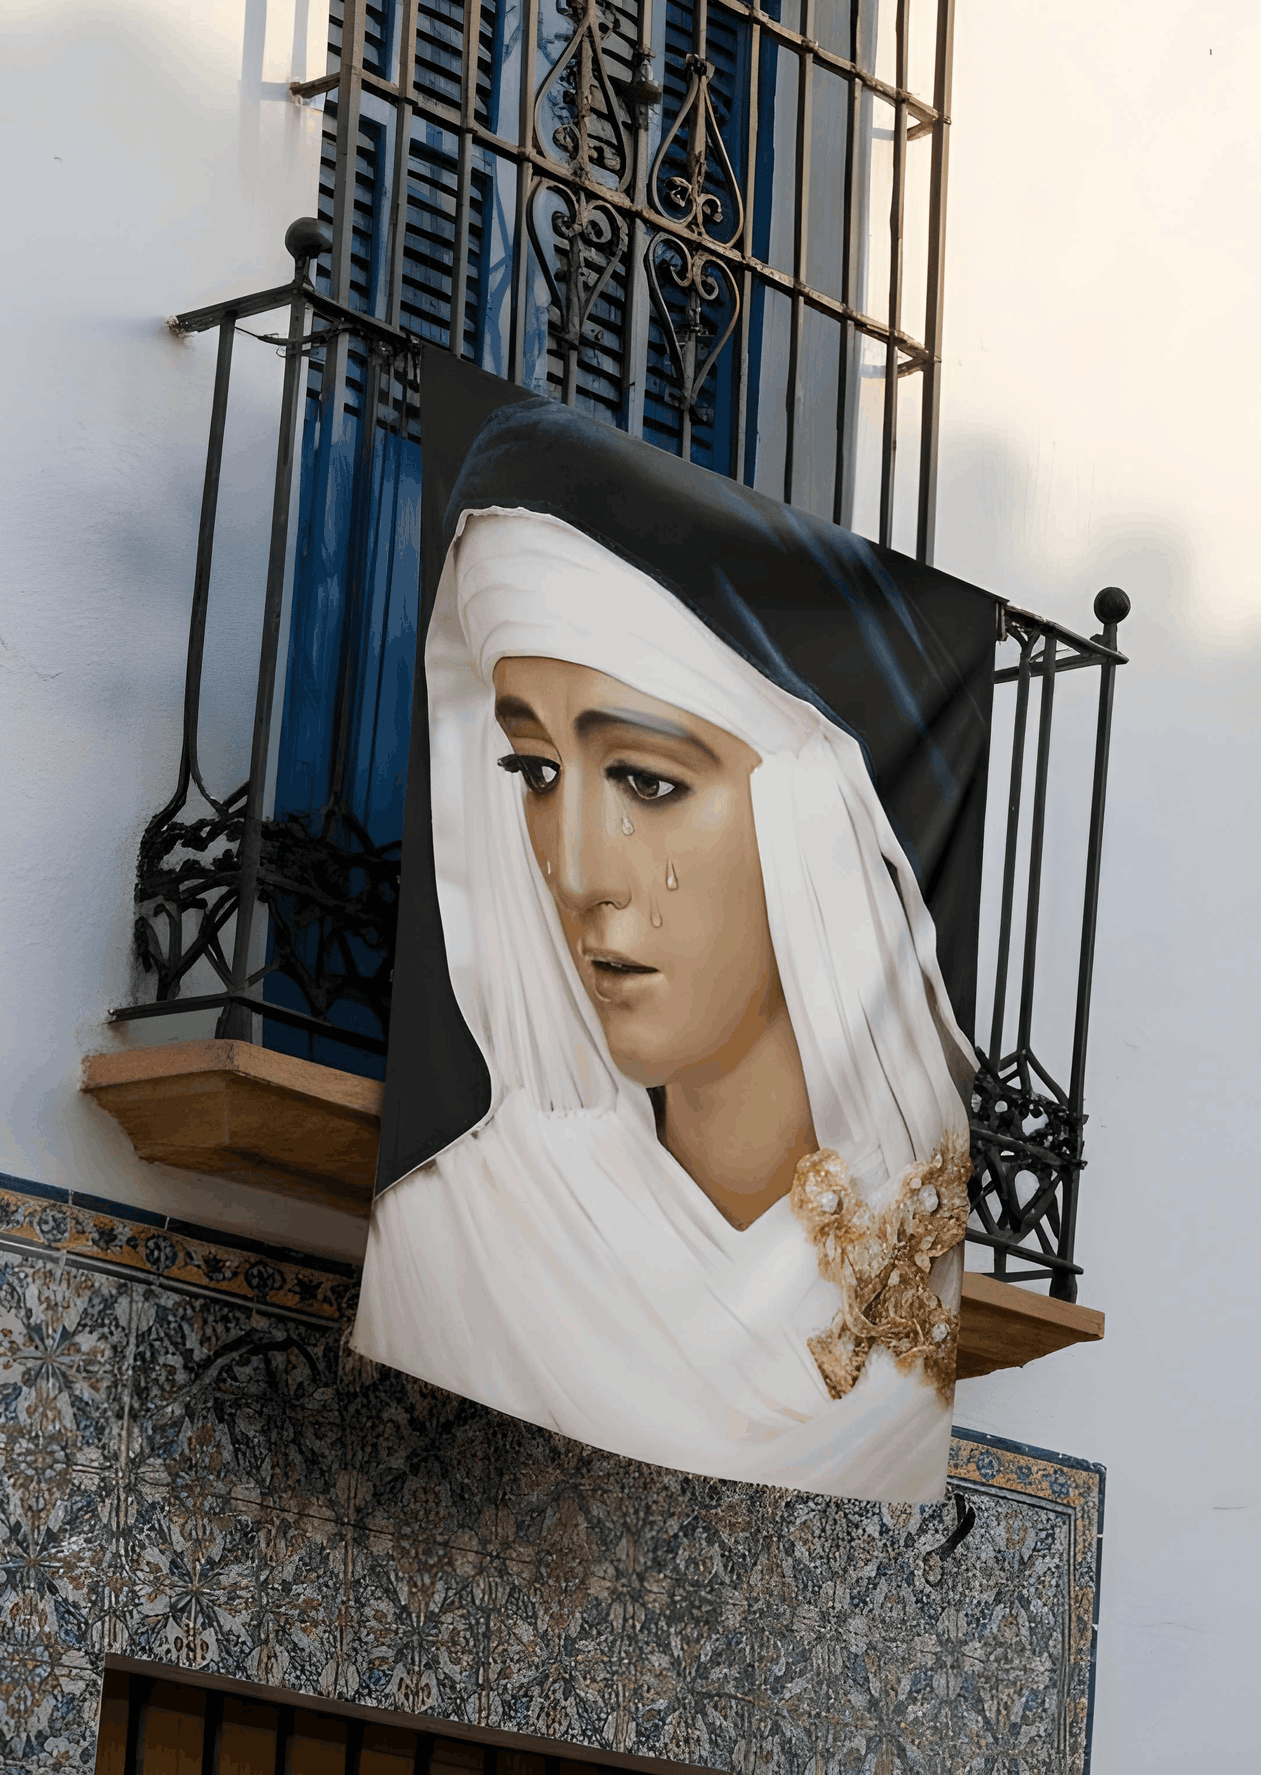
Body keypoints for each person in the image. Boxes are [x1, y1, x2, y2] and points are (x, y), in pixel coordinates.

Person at [351, 503, 978, 1503]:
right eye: (536, 772)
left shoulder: (908, 1270)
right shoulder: (467, 1226)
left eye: (646, 781)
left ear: (816, 824)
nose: (575, 871)